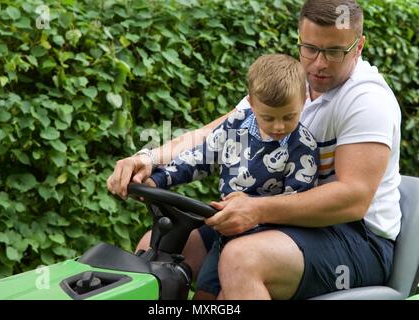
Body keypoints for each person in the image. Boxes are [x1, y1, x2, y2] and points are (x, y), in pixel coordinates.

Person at [107, 0, 401, 300]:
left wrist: (256, 208)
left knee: (240, 259)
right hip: (281, 221)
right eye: (310, 48)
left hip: (358, 238)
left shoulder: (367, 99)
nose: (319, 63)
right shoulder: (289, 84)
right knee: (156, 246)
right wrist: (147, 159)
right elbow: (214, 134)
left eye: (335, 52)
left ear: (359, 45)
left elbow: (352, 199)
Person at [146, 54, 319, 297]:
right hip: (226, 234)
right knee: (203, 297)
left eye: (289, 117)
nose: (279, 126)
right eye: (268, 118)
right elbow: (201, 156)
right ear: (251, 103)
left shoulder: (302, 148)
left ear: (304, 100)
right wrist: (158, 179)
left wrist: (256, 214)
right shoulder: (236, 125)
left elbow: (294, 204)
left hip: (266, 242)